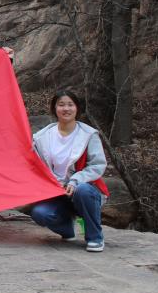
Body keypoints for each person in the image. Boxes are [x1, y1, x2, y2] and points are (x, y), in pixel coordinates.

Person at [30, 90, 108, 252]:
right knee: (39, 213)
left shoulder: (89, 134)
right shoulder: (42, 137)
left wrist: (75, 180)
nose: (66, 109)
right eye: (61, 105)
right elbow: (35, 165)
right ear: (54, 108)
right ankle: (66, 228)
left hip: (84, 189)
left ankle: (95, 237)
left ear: (77, 108)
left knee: (82, 190)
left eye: (70, 105)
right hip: (57, 192)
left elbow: (97, 165)